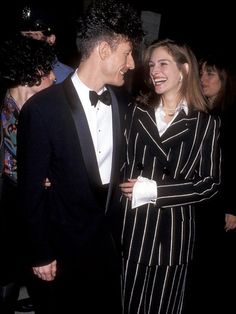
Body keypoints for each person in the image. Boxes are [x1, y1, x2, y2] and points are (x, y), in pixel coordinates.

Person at [16, 1, 143, 313]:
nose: (132, 63)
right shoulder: (42, 109)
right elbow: (30, 191)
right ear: (102, 50)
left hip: (109, 250)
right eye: (126, 53)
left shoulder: (126, 105)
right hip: (62, 253)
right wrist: (41, 253)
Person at [119, 39, 221, 314]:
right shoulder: (136, 112)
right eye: (151, 65)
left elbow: (209, 183)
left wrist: (155, 191)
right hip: (134, 231)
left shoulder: (205, 123)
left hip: (173, 235)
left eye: (163, 63)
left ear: (184, 69)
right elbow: (119, 163)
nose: (154, 71)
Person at [0, 33, 56, 314]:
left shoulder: (39, 112)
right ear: (35, 73)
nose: (54, 78)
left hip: (33, 225)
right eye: (49, 71)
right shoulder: (5, 111)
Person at [186, 53, 236, 313]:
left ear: (224, 79)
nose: (203, 79)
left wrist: (232, 206)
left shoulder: (230, 115)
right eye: (202, 73)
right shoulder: (202, 111)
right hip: (202, 196)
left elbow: (235, 164)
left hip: (220, 201)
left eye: (210, 74)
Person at [18, 4, 74, 83]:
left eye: (31, 38)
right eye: (21, 37)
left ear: (51, 39)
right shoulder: (12, 74)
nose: (25, 45)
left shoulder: (68, 78)